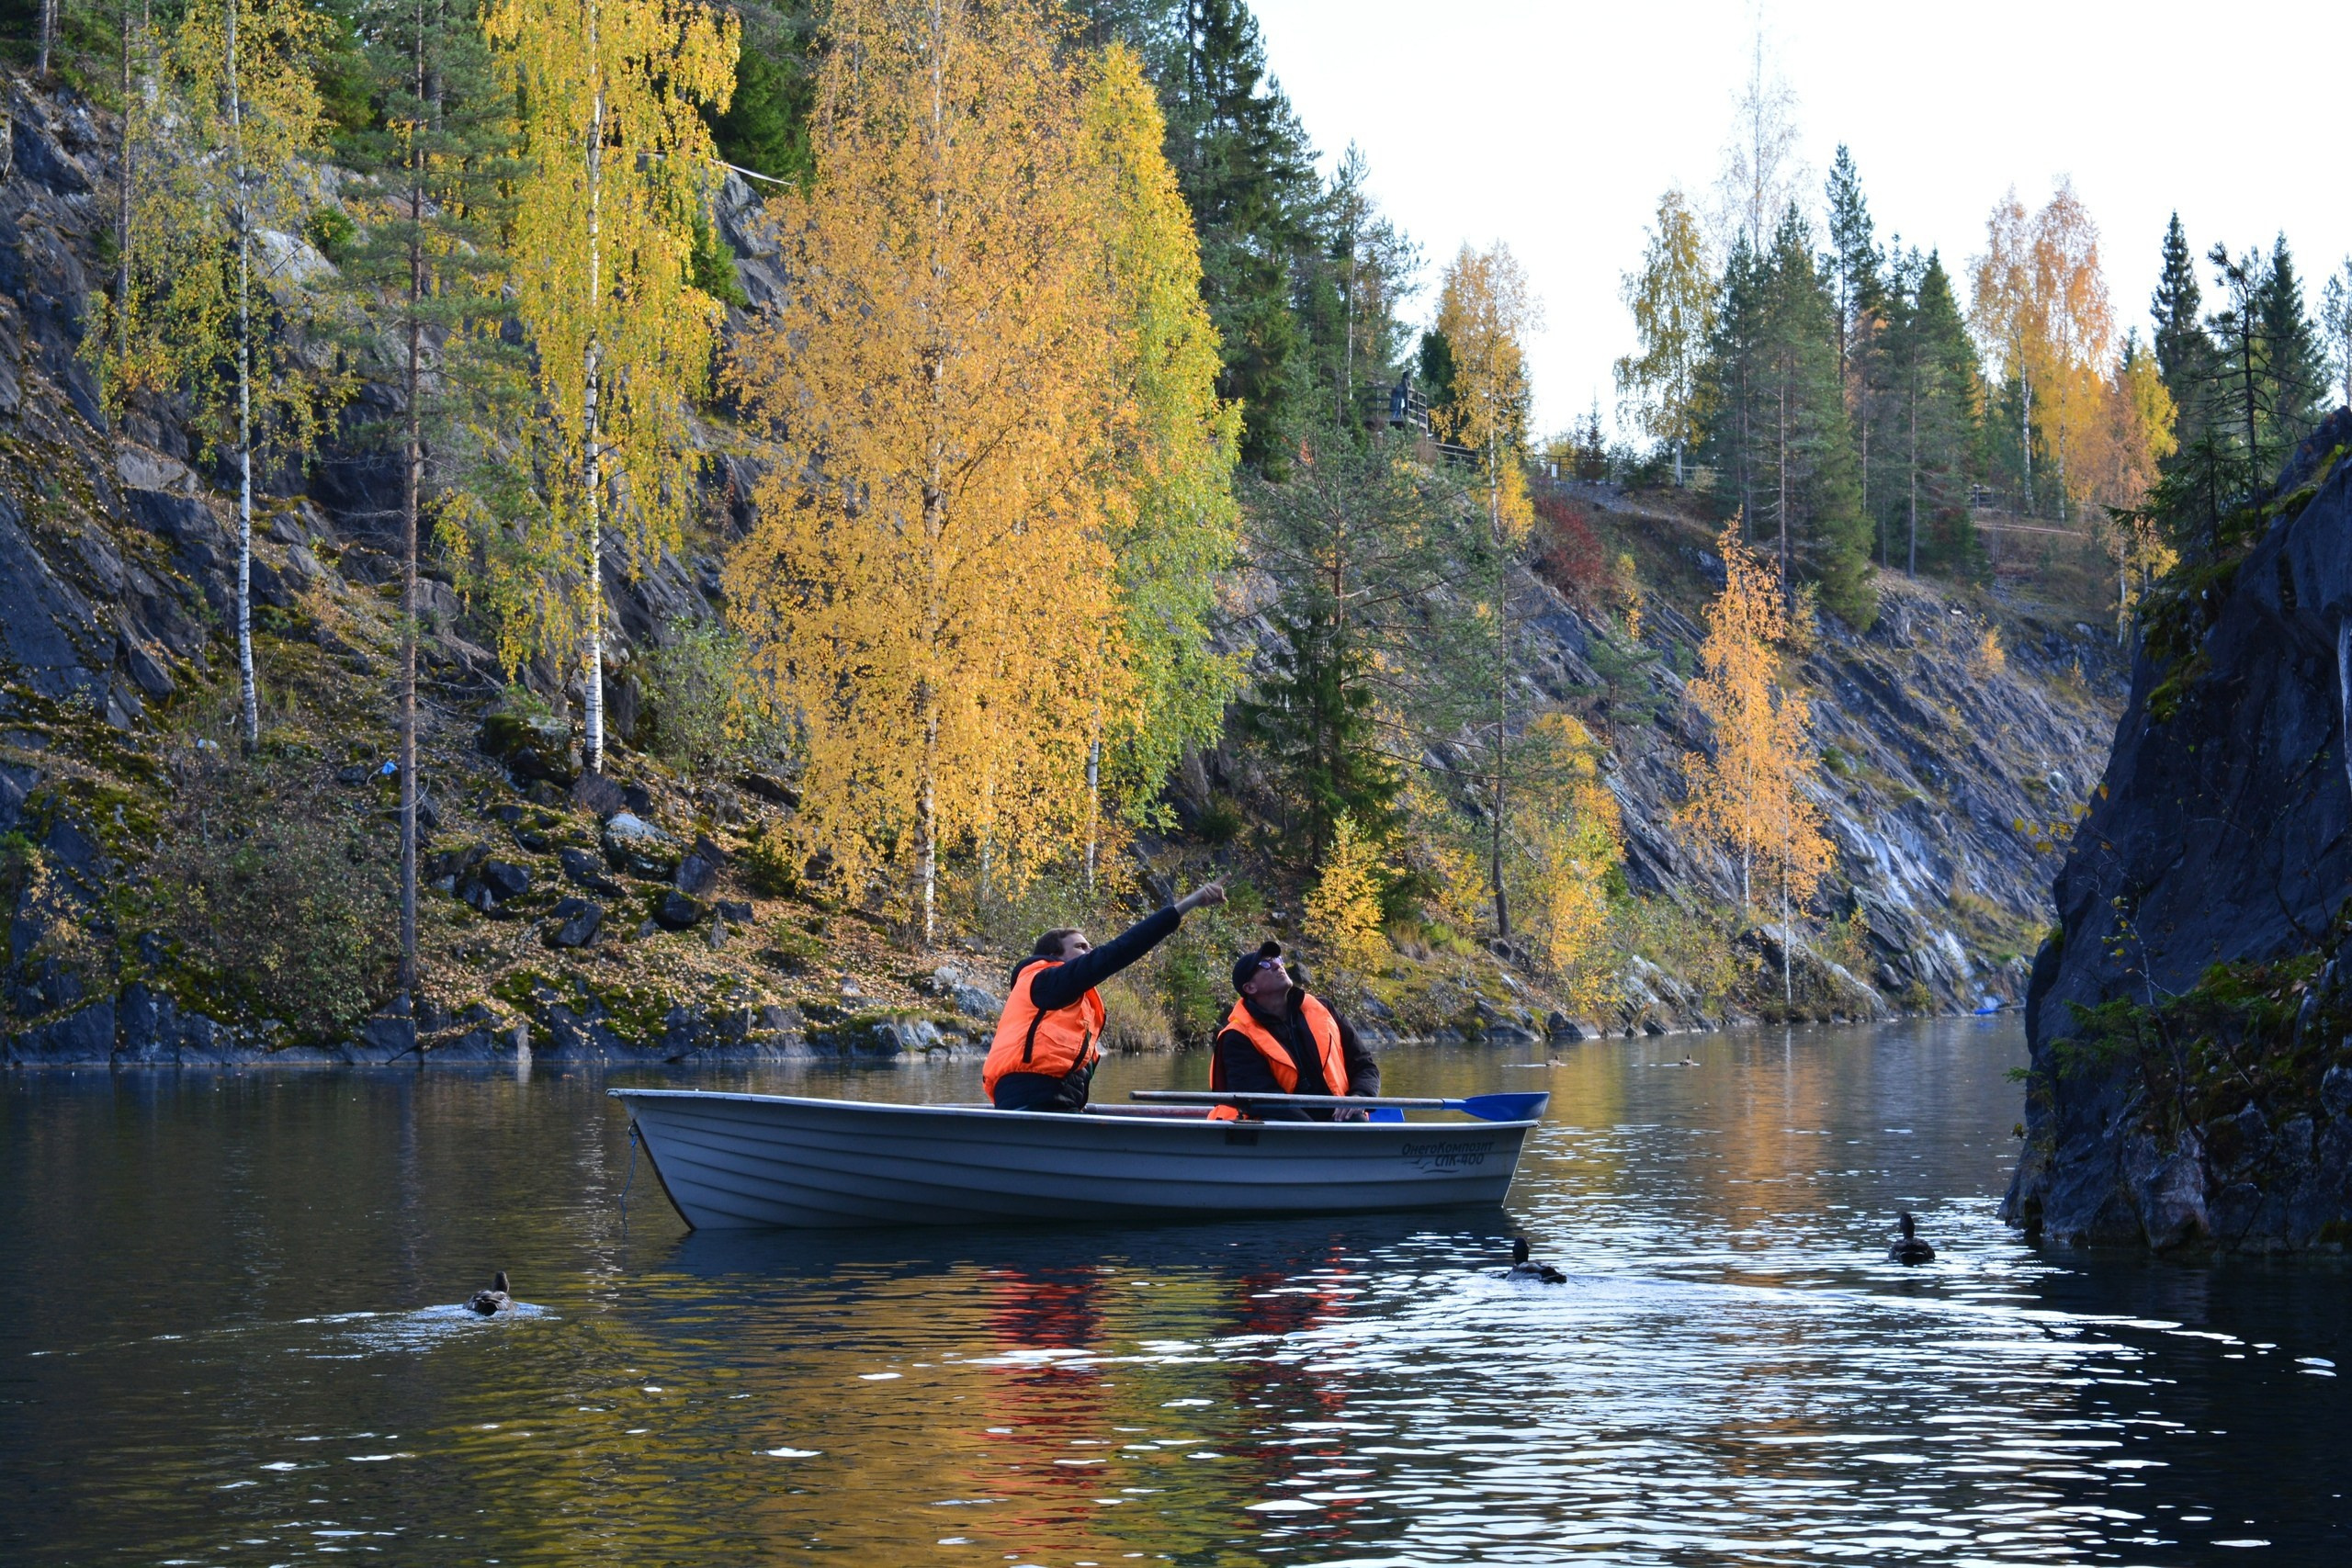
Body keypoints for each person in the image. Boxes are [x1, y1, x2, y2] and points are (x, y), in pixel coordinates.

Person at [983, 881, 1227, 1111]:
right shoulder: (1046, 981)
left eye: (1089, 946)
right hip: (1032, 1096)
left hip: (1052, 1097)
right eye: (1081, 947)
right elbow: (1121, 949)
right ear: (1054, 956)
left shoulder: (1063, 993)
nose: (1091, 951)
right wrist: (1188, 903)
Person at [1212, 941, 1381, 1121]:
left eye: (1277, 959)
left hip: (1338, 1119)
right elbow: (1262, 1099)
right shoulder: (1236, 1037)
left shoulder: (1325, 1009)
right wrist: (1313, 1131)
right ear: (1250, 987)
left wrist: (1359, 1097)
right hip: (1281, 1133)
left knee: (1356, 1120)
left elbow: (1364, 1064)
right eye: (1265, 964)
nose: (1278, 965)